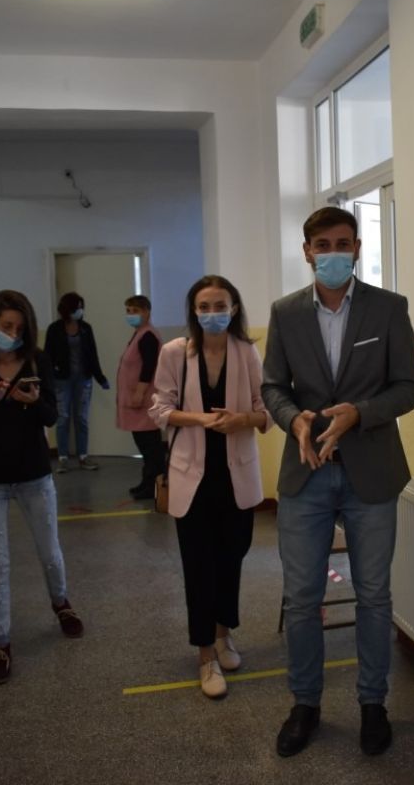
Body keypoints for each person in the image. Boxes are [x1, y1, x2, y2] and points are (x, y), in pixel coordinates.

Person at [262, 207, 414, 757]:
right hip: (306, 470)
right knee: (303, 598)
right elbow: (272, 387)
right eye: (322, 245)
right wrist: (294, 420)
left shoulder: (388, 308)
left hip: (371, 470)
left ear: (357, 248)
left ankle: (373, 704)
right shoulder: (286, 313)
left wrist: (361, 412)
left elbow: (409, 387)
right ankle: (305, 704)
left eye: (342, 243)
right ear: (307, 251)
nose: (333, 253)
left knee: (374, 595)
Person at [0, 289, 85, 685]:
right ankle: (1, 643)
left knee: (49, 551)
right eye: (5, 326)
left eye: (18, 328)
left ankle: (61, 603)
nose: (11, 334)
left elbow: (50, 416)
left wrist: (29, 400)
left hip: (34, 474)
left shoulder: (36, 361)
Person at [150, 275, 270, 699]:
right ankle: (205, 655)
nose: (213, 313)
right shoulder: (175, 352)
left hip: (236, 476)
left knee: (231, 559)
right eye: (205, 307)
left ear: (234, 309)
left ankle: (223, 635)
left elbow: (266, 410)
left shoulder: (246, 352)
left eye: (221, 306)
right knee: (199, 567)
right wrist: (200, 419)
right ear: (194, 311)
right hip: (192, 478)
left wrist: (241, 420)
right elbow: (159, 410)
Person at [44, 291, 110, 474]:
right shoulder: (54, 329)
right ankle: (63, 458)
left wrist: (100, 377)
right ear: (67, 309)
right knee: (63, 418)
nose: (80, 311)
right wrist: (47, 379)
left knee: (81, 418)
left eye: (81, 307)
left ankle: (83, 456)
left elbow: (93, 354)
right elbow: (47, 356)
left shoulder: (86, 328)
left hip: (84, 378)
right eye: (77, 308)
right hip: (61, 380)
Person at [117, 295, 166, 500]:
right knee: (145, 446)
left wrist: (139, 392)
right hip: (137, 400)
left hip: (144, 400)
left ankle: (155, 486)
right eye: (128, 311)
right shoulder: (139, 334)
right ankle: (147, 482)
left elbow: (148, 367)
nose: (131, 315)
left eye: (135, 311)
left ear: (146, 312)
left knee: (150, 446)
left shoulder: (148, 336)